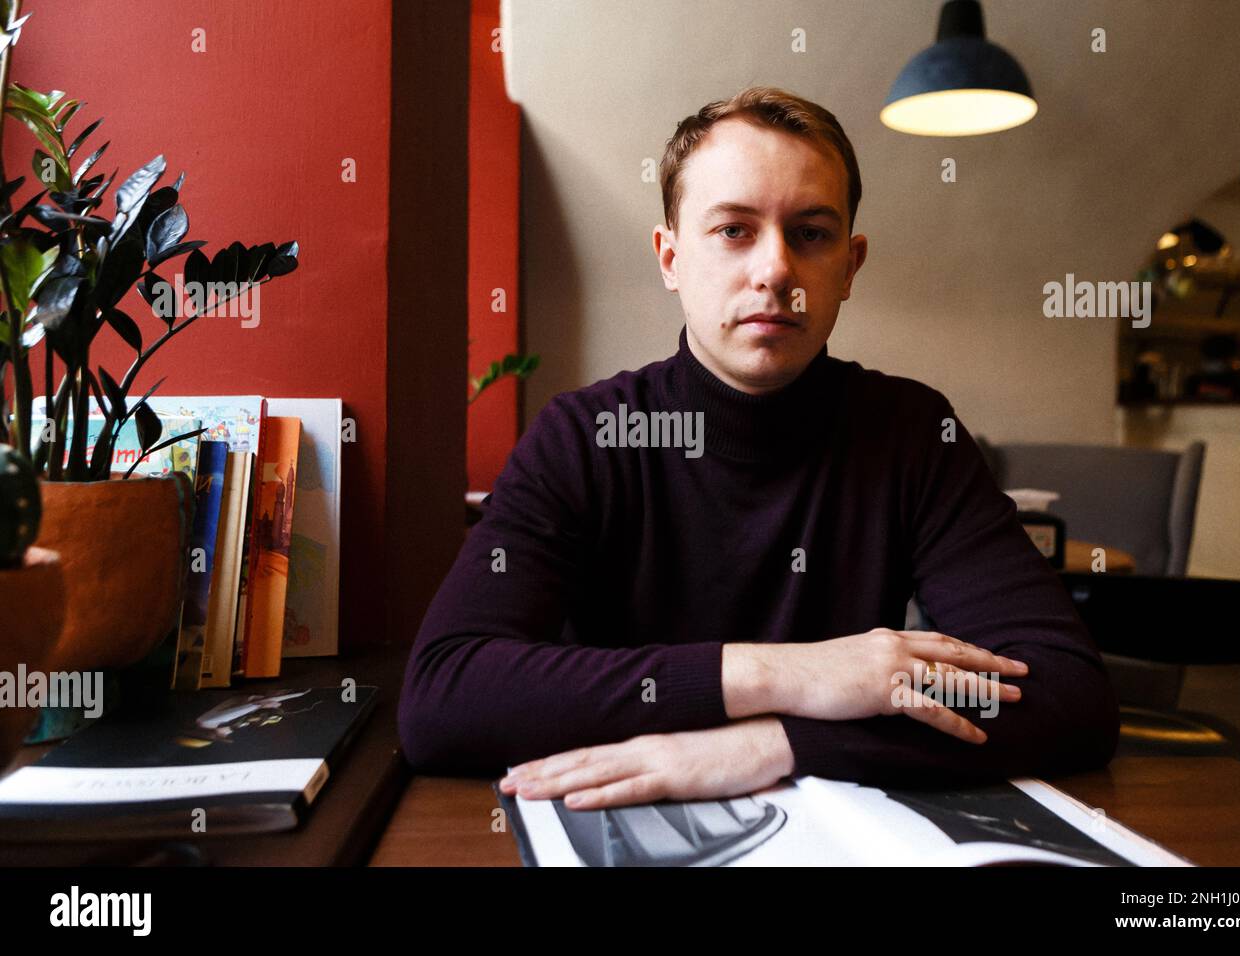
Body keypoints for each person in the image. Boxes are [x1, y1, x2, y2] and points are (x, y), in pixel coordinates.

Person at [398, 86, 1119, 810]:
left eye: (810, 233)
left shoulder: (911, 433)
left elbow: (1068, 695)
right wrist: (786, 676)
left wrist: (774, 745)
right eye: (734, 230)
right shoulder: (581, 438)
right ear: (670, 257)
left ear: (848, 267)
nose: (775, 270)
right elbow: (446, 698)